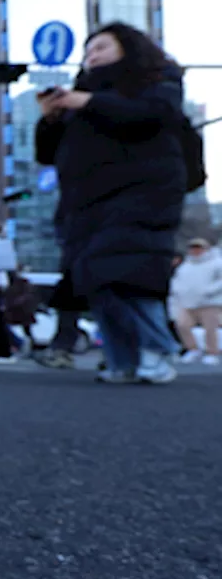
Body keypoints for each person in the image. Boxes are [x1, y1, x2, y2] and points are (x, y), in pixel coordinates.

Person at [36, 22, 187, 385]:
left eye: (101, 47)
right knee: (93, 278)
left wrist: (86, 102)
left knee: (129, 273)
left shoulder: (157, 78)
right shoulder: (80, 96)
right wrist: (50, 118)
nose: (93, 56)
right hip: (85, 203)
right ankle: (123, 360)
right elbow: (47, 154)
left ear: (127, 47)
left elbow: (153, 115)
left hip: (142, 194)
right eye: (88, 52)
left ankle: (157, 349)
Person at [171, 237, 222, 365]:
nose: (196, 251)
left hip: (209, 303)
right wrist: (178, 290)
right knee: (182, 324)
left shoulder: (216, 263)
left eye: (198, 248)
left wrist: (209, 290)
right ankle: (193, 349)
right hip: (188, 302)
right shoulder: (186, 265)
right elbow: (177, 280)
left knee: (210, 328)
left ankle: (212, 353)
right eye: (193, 248)